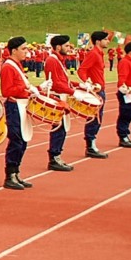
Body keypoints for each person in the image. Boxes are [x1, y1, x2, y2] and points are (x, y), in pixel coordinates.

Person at [1, 36, 37, 190]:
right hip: (14, 106)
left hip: (22, 105)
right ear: (14, 50)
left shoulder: (17, 65)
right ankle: (10, 175)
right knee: (16, 140)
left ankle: (16, 172)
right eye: (23, 49)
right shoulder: (9, 66)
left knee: (23, 141)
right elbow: (6, 91)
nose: (26, 52)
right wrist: (25, 90)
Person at [42, 35, 76, 171]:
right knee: (58, 128)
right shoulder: (52, 60)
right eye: (66, 46)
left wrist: (79, 85)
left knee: (62, 129)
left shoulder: (60, 60)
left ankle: (57, 155)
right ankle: (54, 157)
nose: (69, 48)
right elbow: (56, 84)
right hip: (58, 97)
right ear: (58, 47)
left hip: (63, 96)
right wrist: (74, 92)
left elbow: (64, 81)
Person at [78, 30, 111, 158]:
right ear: (98, 41)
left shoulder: (100, 54)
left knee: (98, 117)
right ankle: (90, 145)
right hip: (96, 91)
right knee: (94, 118)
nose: (108, 41)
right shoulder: (93, 54)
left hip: (100, 89)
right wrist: (89, 83)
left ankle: (91, 143)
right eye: (106, 39)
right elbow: (82, 70)